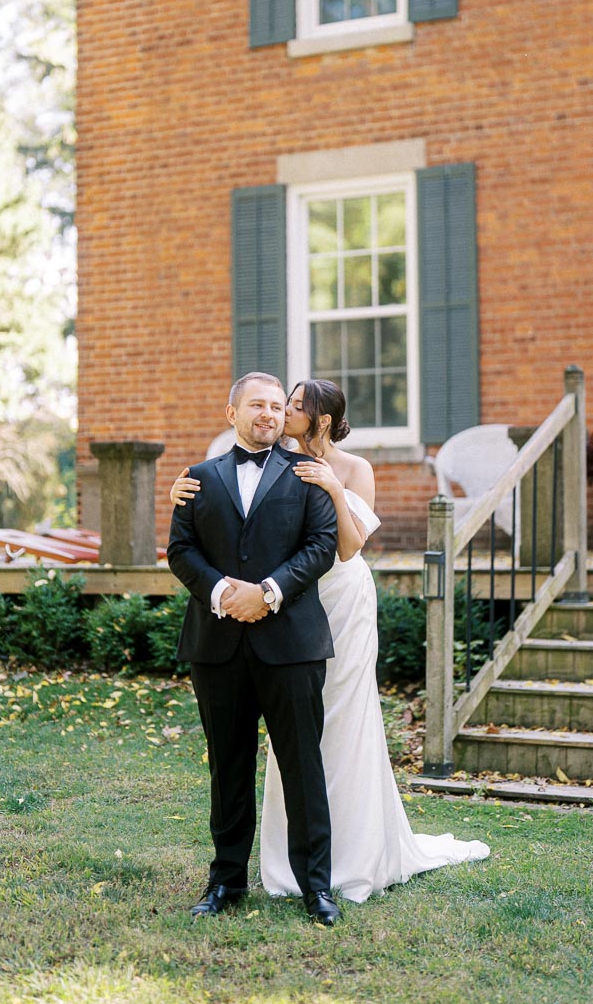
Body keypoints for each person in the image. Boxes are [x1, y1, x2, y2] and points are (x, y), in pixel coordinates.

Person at [171, 378, 490, 903]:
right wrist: (190, 512)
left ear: (316, 419)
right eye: (272, 404)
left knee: (326, 737)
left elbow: (341, 547)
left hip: (326, 606)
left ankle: (332, 868)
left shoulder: (335, 470)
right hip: (251, 617)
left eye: (290, 407)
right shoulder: (242, 466)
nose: (280, 413)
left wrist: (331, 494)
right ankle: (242, 876)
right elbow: (197, 530)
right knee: (250, 758)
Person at [166, 371, 342, 925]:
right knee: (229, 767)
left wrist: (268, 593)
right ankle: (225, 883)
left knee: (303, 769)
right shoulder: (197, 478)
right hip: (216, 643)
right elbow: (180, 549)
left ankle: (316, 887)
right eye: (257, 405)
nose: (269, 413)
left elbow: (321, 547)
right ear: (232, 413)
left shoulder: (308, 474)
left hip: (291, 643)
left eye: (276, 406)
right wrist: (222, 592)